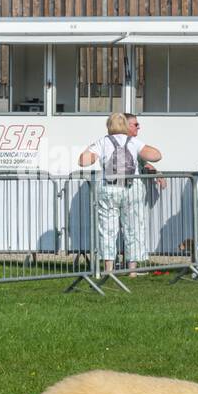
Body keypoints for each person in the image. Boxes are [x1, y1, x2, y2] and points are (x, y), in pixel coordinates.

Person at [78, 112, 164, 278]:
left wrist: (92, 150)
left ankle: (108, 269)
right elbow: (157, 155)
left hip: (109, 189)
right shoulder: (133, 141)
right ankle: (132, 270)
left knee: (107, 230)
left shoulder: (103, 142)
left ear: (109, 125)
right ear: (125, 125)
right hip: (132, 188)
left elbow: (82, 161)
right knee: (134, 228)